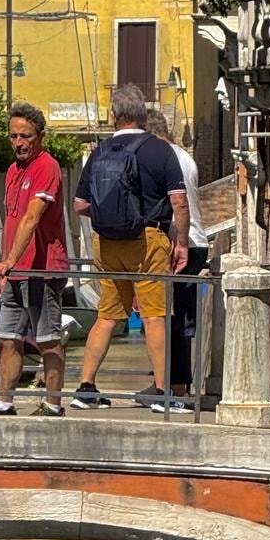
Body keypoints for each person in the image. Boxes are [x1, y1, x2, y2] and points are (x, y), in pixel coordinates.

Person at [71, 82, 190, 412]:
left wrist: (112, 214)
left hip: (107, 243)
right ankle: (163, 393)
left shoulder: (99, 152)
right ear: (143, 115)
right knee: (154, 317)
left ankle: (85, 388)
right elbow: (179, 202)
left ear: (114, 116)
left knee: (107, 317)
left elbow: (80, 205)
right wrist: (181, 242)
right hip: (148, 241)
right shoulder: (160, 151)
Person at [0, 103, 67, 416]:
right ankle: (4, 402)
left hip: (42, 270)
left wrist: (8, 262)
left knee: (48, 339)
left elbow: (32, 218)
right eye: (13, 136)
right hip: (15, 271)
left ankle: (53, 404)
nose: (18, 143)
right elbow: (12, 221)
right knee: (8, 337)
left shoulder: (47, 167)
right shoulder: (12, 171)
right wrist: (5, 269)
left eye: (25, 136)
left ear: (40, 136)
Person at [146, 109, 210, 402]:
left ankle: (177, 386)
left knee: (172, 318)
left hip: (181, 244)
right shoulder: (184, 156)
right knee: (173, 317)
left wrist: (178, 242)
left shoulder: (166, 158)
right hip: (194, 242)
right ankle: (169, 382)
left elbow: (178, 204)